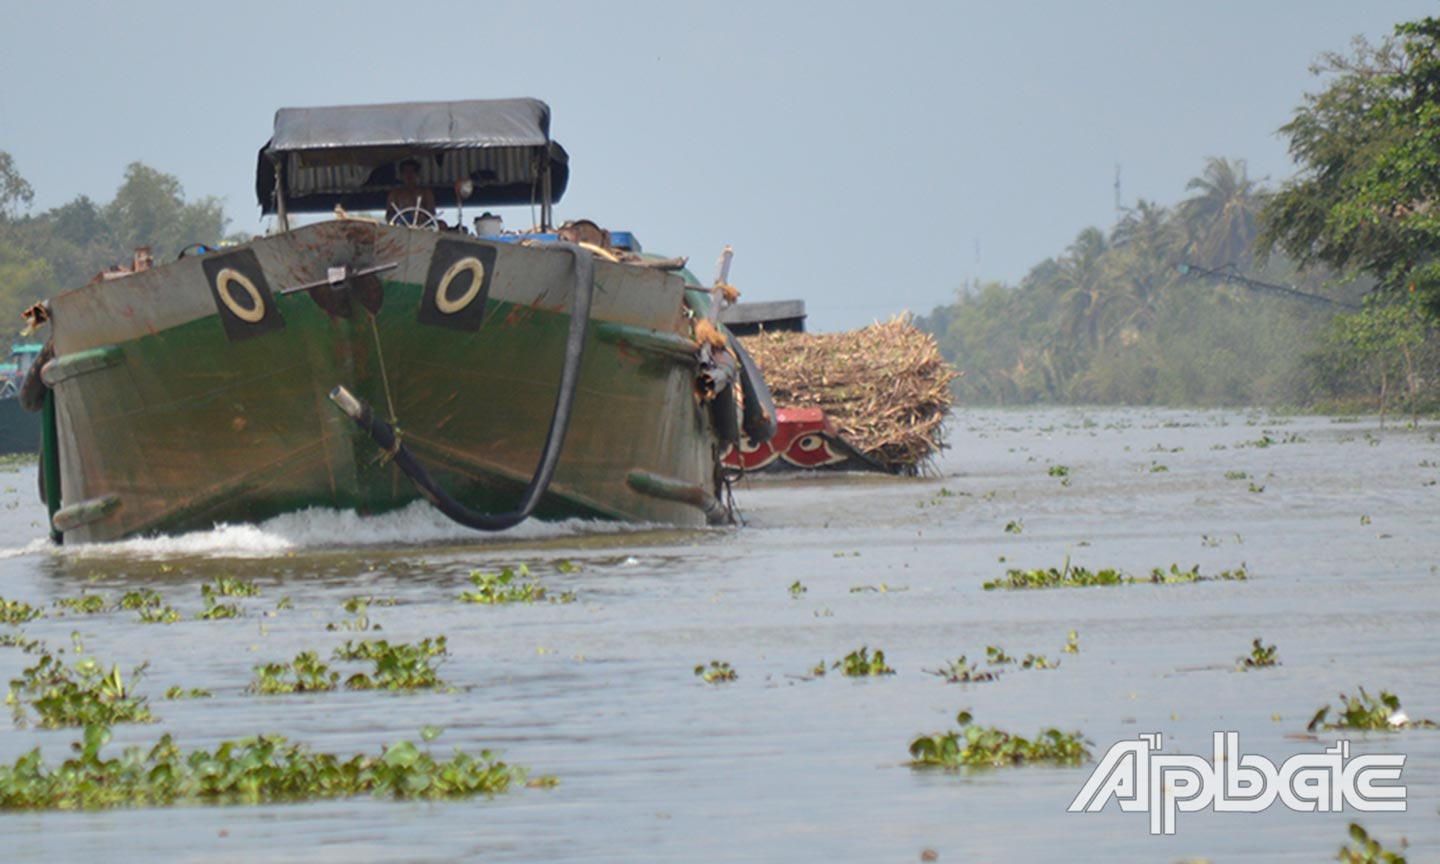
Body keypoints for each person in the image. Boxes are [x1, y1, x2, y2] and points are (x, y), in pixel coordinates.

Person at [386, 159, 437, 226]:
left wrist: (421, 216)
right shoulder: (395, 194)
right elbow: (389, 216)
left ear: (417, 174)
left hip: (422, 227)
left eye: (412, 172)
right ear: (401, 175)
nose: (409, 175)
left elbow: (431, 213)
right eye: (406, 172)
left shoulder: (426, 193)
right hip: (401, 228)